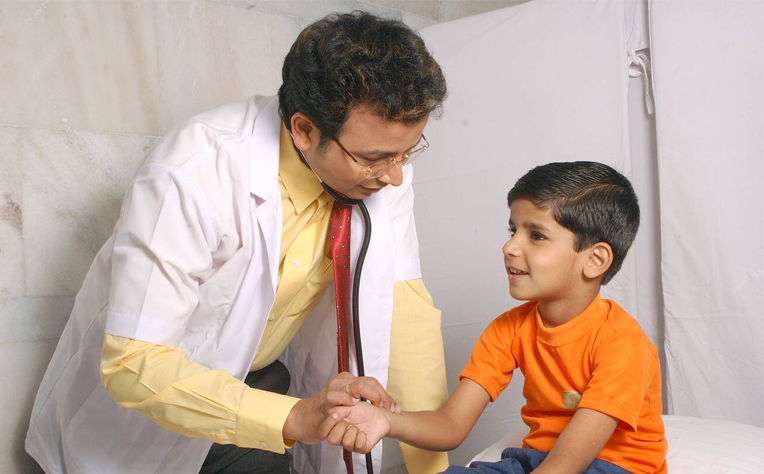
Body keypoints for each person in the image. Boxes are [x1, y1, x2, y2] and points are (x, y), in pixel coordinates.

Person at [25, 11, 450, 474]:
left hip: (260, 380)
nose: (394, 175)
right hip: (148, 410)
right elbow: (134, 362)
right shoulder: (193, 171)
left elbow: (404, 310)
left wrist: (436, 467)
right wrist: (294, 417)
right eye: (375, 159)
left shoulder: (383, 171)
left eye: (407, 151)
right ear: (304, 131)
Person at [324, 161, 668, 474]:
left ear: (595, 260)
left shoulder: (623, 344)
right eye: (512, 231)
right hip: (537, 461)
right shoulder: (509, 329)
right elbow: (450, 426)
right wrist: (385, 420)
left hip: (612, 468)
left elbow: (566, 464)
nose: (510, 247)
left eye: (536, 235)